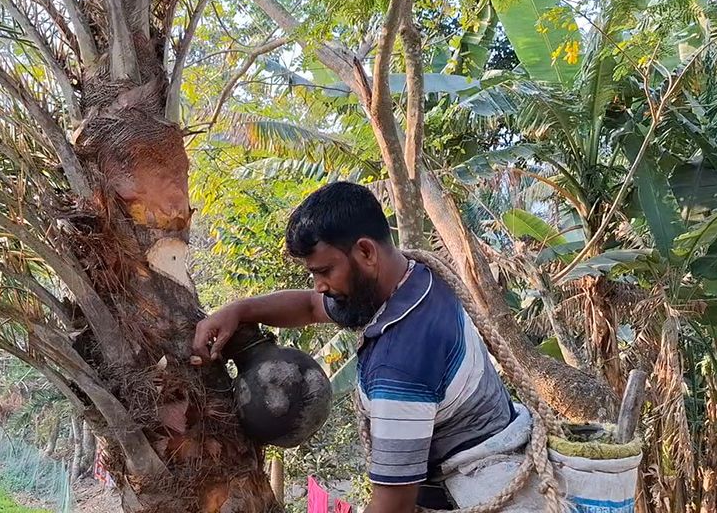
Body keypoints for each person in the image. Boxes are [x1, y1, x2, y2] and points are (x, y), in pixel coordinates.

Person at [192, 181, 515, 512]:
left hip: (474, 493)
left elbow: (393, 507)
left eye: (325, 271)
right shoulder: (417, 279)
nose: (319, 285)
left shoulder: (398, 363)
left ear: (365, 251)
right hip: (500, 453)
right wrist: (239, 310)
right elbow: (310, 306)